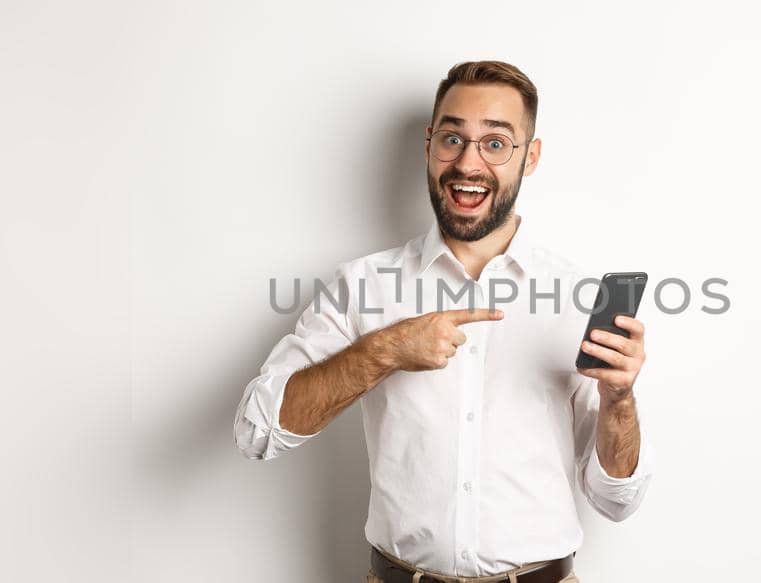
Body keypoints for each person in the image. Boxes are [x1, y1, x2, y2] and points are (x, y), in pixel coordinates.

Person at [235, 61, 653, 583]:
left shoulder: (578, 297)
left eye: (496, 143)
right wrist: (382, 352)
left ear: (531, 157)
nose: (468, 163)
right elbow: (258, 432)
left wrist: (620, 403)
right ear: (429, 145)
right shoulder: (363, 285)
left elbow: (617, 501)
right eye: (453, 138)